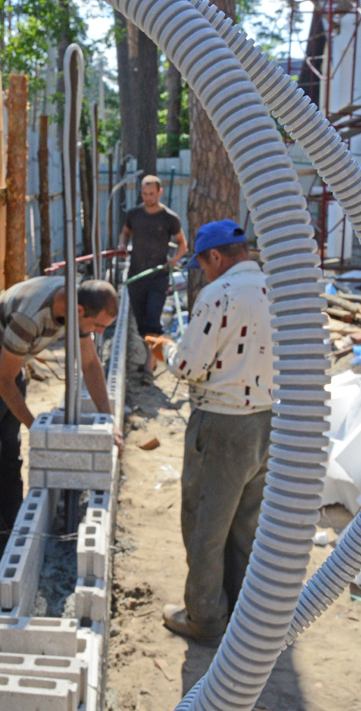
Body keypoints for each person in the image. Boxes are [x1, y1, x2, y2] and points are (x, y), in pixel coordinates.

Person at [146, 219, 274, 646]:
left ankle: (203, 617)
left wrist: (164, 348)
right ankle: (240, 609)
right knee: (245, 523)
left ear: (216, 256)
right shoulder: (275, 288)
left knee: (206, 523)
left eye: (204, 264)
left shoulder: (218, 295)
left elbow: (189, 367)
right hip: (267, 422)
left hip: (222, 425)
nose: (205, 272)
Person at [0, 276, 124, 560]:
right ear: (79, 312)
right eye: (99, 326)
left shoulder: (76, 303)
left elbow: (90, 363)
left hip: (9, 364)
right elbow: (2, 382)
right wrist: (39, 429)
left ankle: (16, 529)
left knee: (11, 456)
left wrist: (109, 421)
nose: (100, 333)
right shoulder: (29, 317)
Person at [118, 174, 187, 382]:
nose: (148, 197)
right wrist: (122, 245)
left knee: (152, 320)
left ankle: (148, 367)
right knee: (141, 324)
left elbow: (182, 243)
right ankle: (154, 357)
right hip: (136, 275)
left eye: (151, 193)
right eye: (144, 194)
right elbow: (125, 233)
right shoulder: (134, 214)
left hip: (158, 276)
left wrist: (174, 260)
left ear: (159, 192)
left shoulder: (169, 218)